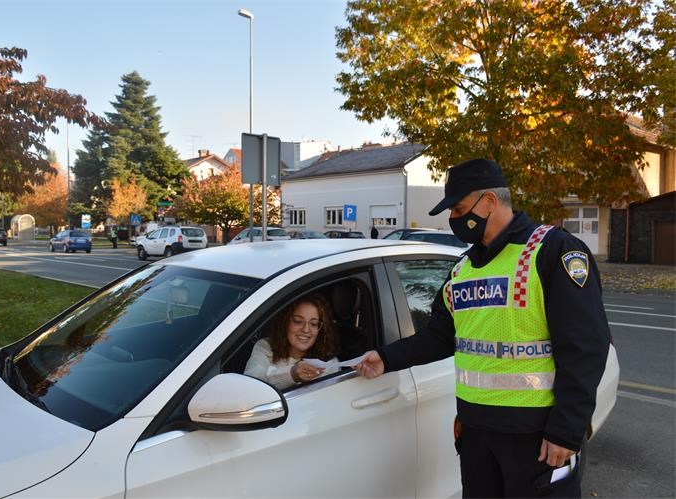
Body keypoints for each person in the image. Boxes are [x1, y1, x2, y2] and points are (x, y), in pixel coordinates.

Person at [355, 158, 610, 498]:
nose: (454, 220)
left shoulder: (551, 251)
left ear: (489, 202)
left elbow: (585, 347)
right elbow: (439, 336)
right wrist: (386, 358)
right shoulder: (462, 270)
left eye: (459, 209)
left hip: (535, 435)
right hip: (477, 433)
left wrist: (566, 430)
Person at [244, 293, 339, 390]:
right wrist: (292, 374)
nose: (306, 329)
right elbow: (251, 385)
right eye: (298, 321)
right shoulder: (266, 346)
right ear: (285, 322)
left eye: (313, 324)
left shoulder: (329, 362)